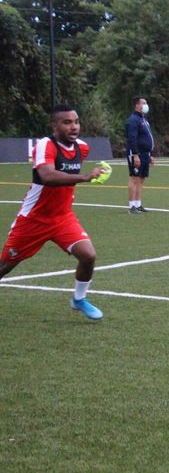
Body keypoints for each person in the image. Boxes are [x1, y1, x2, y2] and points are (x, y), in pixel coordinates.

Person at [0, 104, 111, 320]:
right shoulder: (46, 145)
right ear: (54, 126)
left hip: (62, 217)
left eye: (76, 122)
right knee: (5, 265)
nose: (73, 127)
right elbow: (47, 176)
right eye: (67, 122)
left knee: (88, 256)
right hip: (33, 219)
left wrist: (98, 172)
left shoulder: (82, 148)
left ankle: (79, 299)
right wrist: (85, 177)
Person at [125, 96, 155, 214]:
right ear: (137, 105)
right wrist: (135, 155)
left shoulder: (143, 119)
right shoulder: (133, 120)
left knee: (141, 178)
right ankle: (131, 206)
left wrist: (150, 154)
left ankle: (138, 204)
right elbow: (131, 139)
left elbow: (146, 138)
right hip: (136, 153)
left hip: (145, 153)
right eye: (144, 103)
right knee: (134, 177)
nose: (146, 105)